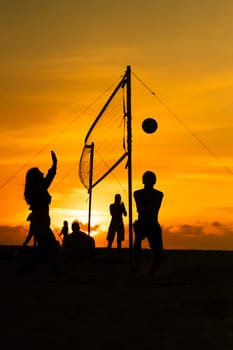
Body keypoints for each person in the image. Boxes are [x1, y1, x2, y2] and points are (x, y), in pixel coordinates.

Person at [22, 150, 58, 266]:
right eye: (40, 173)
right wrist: (54, 164)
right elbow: (49, 178)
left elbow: (48, 178)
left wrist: (54, 164)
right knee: (50, 247)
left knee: (46, 248)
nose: (42, 173)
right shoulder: (39, 189)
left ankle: (30, 268)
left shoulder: (36, 189)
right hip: (41, 220)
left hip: (41, 220)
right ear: (36, 178)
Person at [133, 171, 164, 275]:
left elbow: (153, 209)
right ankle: (137, 268)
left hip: (152, 223)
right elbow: (141, 209)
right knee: (137, 244)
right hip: (143, 222)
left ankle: (150, 272)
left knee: (158, 254)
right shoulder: (137, 194)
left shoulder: (159, 195)